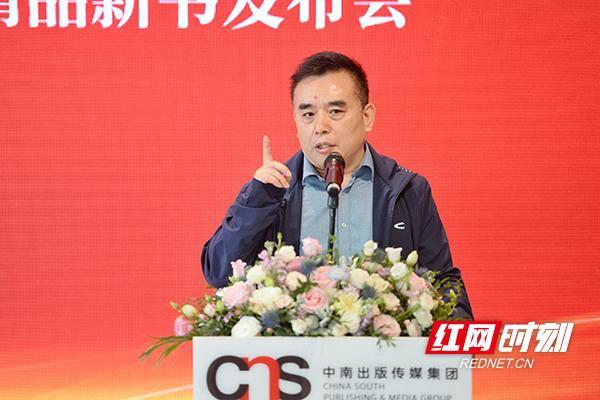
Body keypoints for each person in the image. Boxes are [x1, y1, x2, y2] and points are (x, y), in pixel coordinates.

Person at [201, 52, 473, 319]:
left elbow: (441, 281)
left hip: (384, 346)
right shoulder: (274, 189)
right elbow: (218, 273)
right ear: (296, 122)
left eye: (335, 111)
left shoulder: (408, 190)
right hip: (293, 348)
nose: (320, 126)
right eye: (308, 114)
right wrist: (258, 200)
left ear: (367, 116)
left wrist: (458, 337)